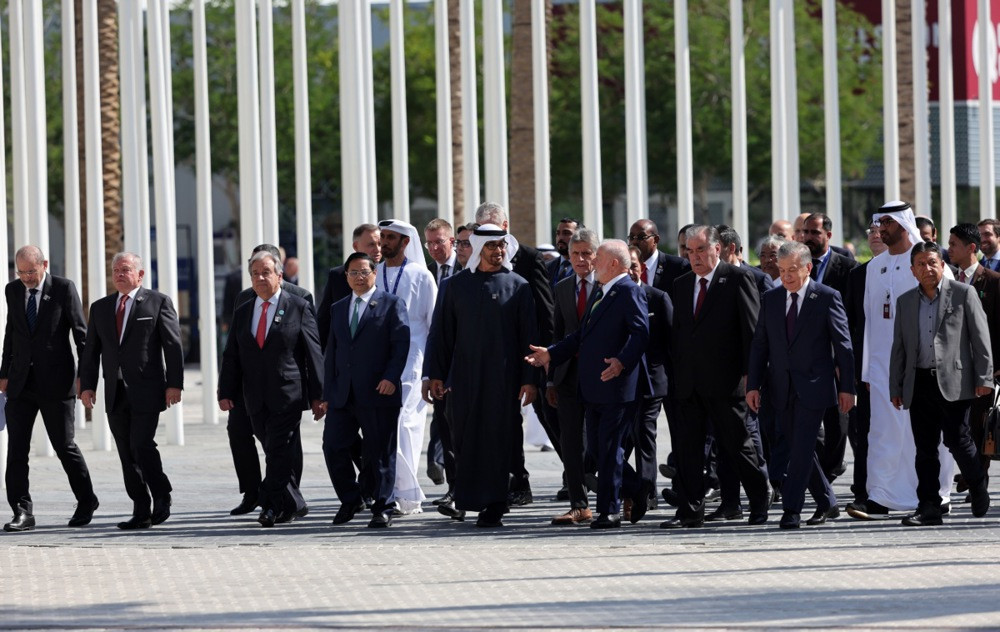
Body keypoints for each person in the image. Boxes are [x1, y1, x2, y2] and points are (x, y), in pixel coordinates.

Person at [527, 240, 650, 529]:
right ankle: (637, 486)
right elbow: (580, 335)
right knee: (596, 450)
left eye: (599, 259)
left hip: (616, 387)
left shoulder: (628, 291)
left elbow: (641, 333)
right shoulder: (602, 291)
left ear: (614, 265)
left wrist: (621, 361)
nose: (592, 263)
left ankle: (609, 510)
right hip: (592, 387)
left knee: (608, 450)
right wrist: (550, 354)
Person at [849, 201, 955, 520]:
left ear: (902, 224)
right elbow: (868, 319)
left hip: (923, 367)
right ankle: (882, 496)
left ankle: (938, 493)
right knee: (882, 433)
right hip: (882, 367)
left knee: (924, 433)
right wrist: (868, 368)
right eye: (878, 223)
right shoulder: (873, 267)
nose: (880, 229)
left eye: (886, 223)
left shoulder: (929, 263)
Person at [426, 224, 537, 527]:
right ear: (477, 248)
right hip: (461, 379)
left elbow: (529, 338)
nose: (498, 251)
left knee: (498, 440)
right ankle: (468, 498)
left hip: (503, 380)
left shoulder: (519, 286)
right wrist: (433, 375)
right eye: (491, 246)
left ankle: (495, 505)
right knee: (464, 438)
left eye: (502, 245)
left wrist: (529, 379)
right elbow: (440, 335)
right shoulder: (455, 286)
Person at [662, 225, 771, 528]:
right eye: (688, 250)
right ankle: (690, 511)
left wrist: (753, 378)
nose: (693, 256)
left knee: (737, 445)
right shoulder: (682, 284)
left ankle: (760, 500)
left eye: (699, 250)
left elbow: (752, 333)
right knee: (688, 450)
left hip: (727, 382)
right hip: (689, 383)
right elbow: (681, 333)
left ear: (717, 249)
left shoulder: (737, 279)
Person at [747, 241, 855, 529]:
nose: (786, 276)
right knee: (799, 446)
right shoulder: (771, 298)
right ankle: (827, 502)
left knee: (801, 449)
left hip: (815, 386)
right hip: (780, 386)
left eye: (792, 270)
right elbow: (760, 345)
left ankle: (791, 510)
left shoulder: (827, 297)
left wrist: (848, 387)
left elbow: (843, 347)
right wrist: (753, 385)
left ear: (808, 268)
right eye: (782, 270)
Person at [218, 250, 324, 527]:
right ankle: (294, 503)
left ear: (279, 275)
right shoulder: (243, 310)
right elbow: (232, 354)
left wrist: (319, 395)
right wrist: (225, 391)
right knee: (275, 451)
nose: (260, 278)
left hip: (287, 393)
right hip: (253, 395)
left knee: (278, 448)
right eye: (255, 274)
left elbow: (313, 353)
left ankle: (269, 505)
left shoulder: (298, 306)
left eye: (266, 272)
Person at [889, 241, 992, 525]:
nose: (927, 268)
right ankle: (929, 506)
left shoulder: (963, 294)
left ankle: (977, 483)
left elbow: (981, 340)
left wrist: (984, 379)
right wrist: (895, 387)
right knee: (925, 448)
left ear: (942, 265)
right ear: (913, 270)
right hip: (919, 381)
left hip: (955, 381)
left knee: (958, 440)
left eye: (932, 262)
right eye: (921, 264)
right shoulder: (905, 301)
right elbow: (899, 347)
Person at [80, 252, 184, 530]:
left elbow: (173, 346)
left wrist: (175, 383)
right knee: (126, 452)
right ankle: (141, 508)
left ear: (140, 275)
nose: (119, 274)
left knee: (142, 444)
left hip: (147, 389)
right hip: (115, 392)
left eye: (125, 269)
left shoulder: (157, 302)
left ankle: (162, 494)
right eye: (115, 270)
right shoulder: (101, 308)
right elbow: (90, 352)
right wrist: (87, 385)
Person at [1, 246, 96, 532]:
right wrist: (4, 374)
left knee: (64, 446)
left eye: (31, 271)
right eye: (21, 272)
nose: (26, 278)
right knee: (16, 449)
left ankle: (86, 500)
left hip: (57, 383)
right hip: (20, 384)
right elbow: (11, 333)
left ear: (44, 264)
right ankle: (22, 511)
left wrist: (86, 379)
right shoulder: (13, 290)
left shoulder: (64, 288)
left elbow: (82, 335)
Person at [475, 202, 555, 506]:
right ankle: (517, 481)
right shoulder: (474, 263)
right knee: (505, 424)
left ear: (506, 228)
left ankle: (579, 476)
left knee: (549, 420)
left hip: (529, 357)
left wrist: (546, 358)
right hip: (492, 360)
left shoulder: (530, 259)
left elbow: (545, 311)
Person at [323, 253, 410, 528]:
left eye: (364, 272)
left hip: (378, 391)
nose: (359, 277)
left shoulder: (391, 304)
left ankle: (383, 507)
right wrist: (326, 393)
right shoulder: (338, 308)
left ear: (374, 273)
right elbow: (332, 352)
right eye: (353, 273)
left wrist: (391, 378)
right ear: (346, 276)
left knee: (380, 452)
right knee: (333, 446)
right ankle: (351, 499)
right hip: (343, 394)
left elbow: (401, 344)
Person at [376, 219, 437, 514]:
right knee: (385, 426)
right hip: (380, 361)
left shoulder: (420, 275)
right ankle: (399, 491)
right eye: (382, 236)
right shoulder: (372, 273)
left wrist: (431, 368)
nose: (384, 242)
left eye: (390, 237)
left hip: (414, 360)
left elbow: (432, 323)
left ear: (405, 242)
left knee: (405, 425)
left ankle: (405, 494)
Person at [547, 228, 601, 525]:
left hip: (601, 375)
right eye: (575, 254)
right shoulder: (563, 287)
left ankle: (617, 494)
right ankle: (579, 503)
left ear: (596, 255)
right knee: (569, 440)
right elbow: (557, 334)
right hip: (568, 376)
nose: (581, 259)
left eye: (586, 253)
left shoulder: (608, 286)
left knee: (599, 441)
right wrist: (551, 379)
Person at [947, 223, 1000, 493]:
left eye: (953, 244)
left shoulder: (992, 281)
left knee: (979, 427)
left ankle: (978, 480)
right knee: (959, 428)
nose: (948, 249)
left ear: (971, 248)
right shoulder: (949, 280)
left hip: (982, 369)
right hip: (953, 368)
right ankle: (971, 473)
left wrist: (995, 368)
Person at [623, 245, 673, 523]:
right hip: (620, 381)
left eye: (634, 265)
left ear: (641, 267)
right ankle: (632, 487)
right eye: (625, 265)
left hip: (652, 381)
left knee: (644, 433)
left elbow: (671, 341)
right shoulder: (612, 296)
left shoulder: (657, 297)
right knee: (618, 440)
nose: (631, 270)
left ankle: (647, 491)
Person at [843, 221, 888, 508]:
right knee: (865, 428)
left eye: (879, 231)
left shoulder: (911, 268)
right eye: (869, 231)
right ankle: (862, 488)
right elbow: (848, 322)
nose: (873, 235)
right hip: (866, 365)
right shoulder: (858, 274)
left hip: (899, 366)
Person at [424, 218, 462, 488]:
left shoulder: (465, 270)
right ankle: (439, 465)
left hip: (462, 354)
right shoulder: (425, 272)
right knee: (440, 413)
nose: (435, 248)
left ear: (452, 242)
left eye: (439, 241)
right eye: (430, 243)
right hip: (436, 354)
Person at [318, 224, 381, 351]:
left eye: (380, 244)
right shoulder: (338, 276)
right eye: (371, 245)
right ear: (356, 246)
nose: (377, 249)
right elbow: (324, 321)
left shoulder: (391, 273)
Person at [627, 219, 689, 300]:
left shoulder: (678, 266)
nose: (634, 242)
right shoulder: (625, 268)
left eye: (641, 237)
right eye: (631, 237)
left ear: (655, 240)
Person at [547, 217, 581, 288]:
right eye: (558, 233)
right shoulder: (546, 268)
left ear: (580, 237)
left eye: (566, 233)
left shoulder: (587, 268)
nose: (560, 237)